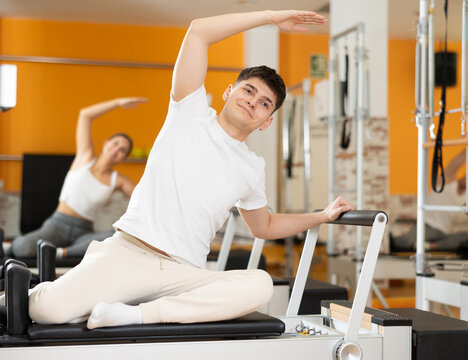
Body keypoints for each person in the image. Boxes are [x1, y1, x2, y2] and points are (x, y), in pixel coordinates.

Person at [25, 10, 352, 329]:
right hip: (129, 252)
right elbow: (198, 31)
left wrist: (321, 216)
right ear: (228, 91)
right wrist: (269, 18)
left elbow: (263, 225)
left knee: (260, 285)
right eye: (248, 90)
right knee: (46, 310)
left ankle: (136, 315)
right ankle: (37, 290)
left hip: (183, 273)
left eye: (265, 103)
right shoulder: (189, 110)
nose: (253, 101)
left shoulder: (253, 167)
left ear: (266, 122)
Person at [8, 98, 146, 259]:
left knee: (114, 234)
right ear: (105, 143)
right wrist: (118, 103)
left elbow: (142, 200)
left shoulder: (119, 180)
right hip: (57, 225)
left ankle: (61, 253)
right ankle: (18, 247)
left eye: (122, 150)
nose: (116, 149)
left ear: (124, 158)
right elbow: (85, 115)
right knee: (22, 248)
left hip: (84, 232)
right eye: (115, 143)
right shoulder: (84, 157)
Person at [391, 147, 468, 251]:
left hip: (442, 232)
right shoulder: (447, 181)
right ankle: (404, 243)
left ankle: (429, 246)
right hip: (426, 225)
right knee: (402, 243)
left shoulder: (464, 199)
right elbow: (461, 157)